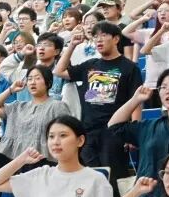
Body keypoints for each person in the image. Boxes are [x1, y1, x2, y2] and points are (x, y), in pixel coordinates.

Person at [55, 22, 142, 185]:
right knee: (88, 179)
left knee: (113, 179)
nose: (98, 40)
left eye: (103, 35)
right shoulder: (90, 65)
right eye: (95, 37)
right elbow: (58, 71)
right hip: (88, 131)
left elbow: (136, 101)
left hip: (115, 132)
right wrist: (72, 46)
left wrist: (134, 132)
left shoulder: (129, 68)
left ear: (116, 39)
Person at [0, 66, 70, 165]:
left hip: (45, 161)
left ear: (48, 83)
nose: (32, 82)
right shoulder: (18, 106)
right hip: (17, 162)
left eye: (37, 78)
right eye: (29, 79)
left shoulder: (57, 106)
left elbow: (67, 134)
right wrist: (10, 90)